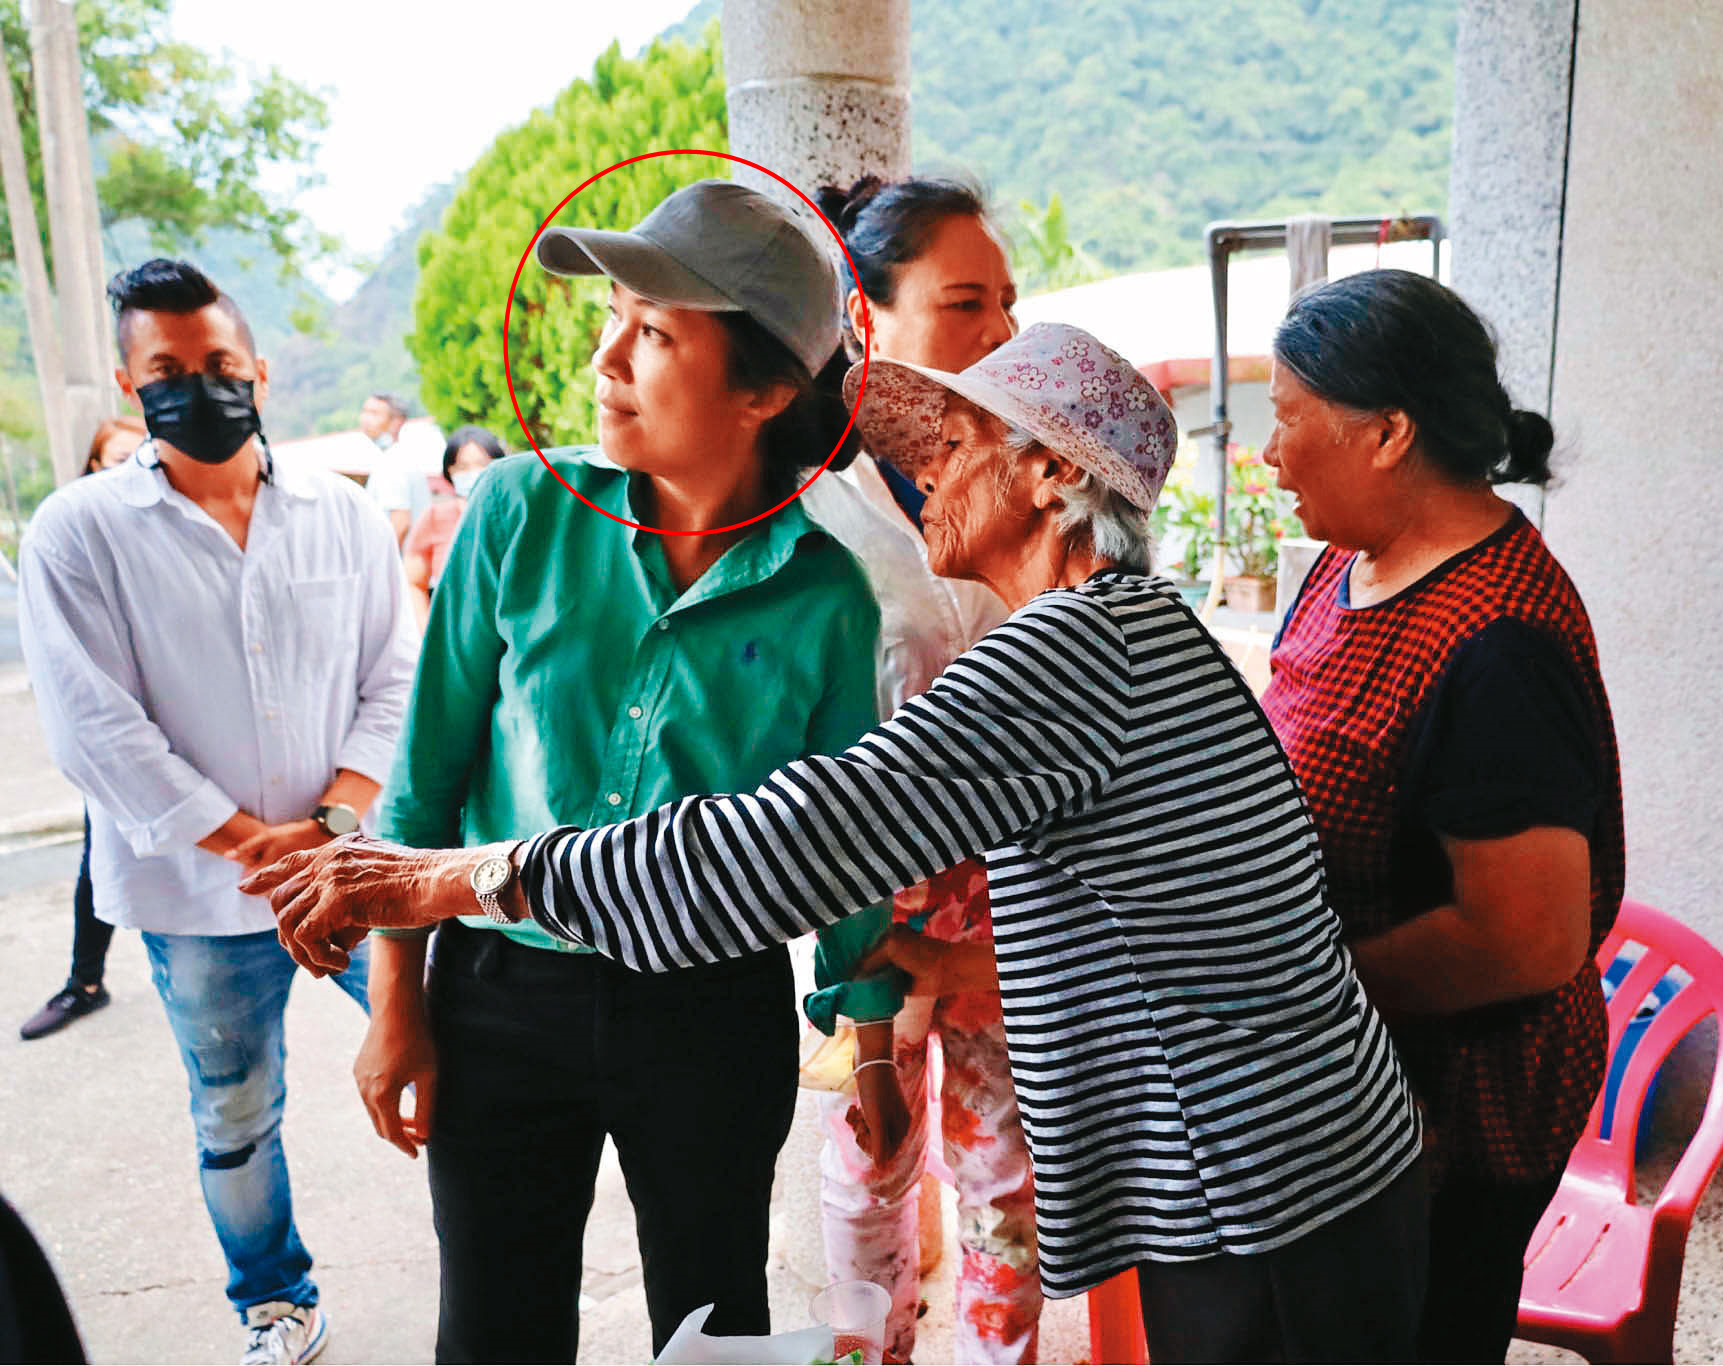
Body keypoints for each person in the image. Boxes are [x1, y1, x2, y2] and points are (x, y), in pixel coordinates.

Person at [249, 321, 1435, 1366]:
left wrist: (464, 874)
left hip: (1263, 1189)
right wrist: (917, 981)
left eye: (957, 444)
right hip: (1294, 1164)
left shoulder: (1070, 654)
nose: (924, 478)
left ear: (1044, 475)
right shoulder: (1129, 633)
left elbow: (775, 849)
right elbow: (1148, 924)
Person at [345, 179, 894, 1364]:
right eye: (611, 318)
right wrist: (398, 1005)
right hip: (497, 994)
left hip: (710, 1006)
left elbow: (846, 853)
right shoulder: (514, 515)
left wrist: (875, 1043)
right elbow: (424, 780)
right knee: (494, 1330)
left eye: (652, 331)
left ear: (762, 392)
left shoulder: (828, 602)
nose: (604, 357)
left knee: (710, 1326)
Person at [16, 258, 417, 1365]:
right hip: (200, 900)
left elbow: (397, 673)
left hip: (355, 871)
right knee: (234, 1116)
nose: (199, 387)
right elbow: (93, 724)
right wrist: (251, 843)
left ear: (262, 371)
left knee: (452, 1057)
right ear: (128, 384)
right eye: (169, 372)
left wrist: (332, 821)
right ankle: (275, 1299)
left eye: (220, 365)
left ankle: (486, 1256)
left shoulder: (340, 519)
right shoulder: (78, 533)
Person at [1256, 269, 1624, 1364]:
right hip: (1353, 1077)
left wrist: (1300, 992)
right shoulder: (1343, 565)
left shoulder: (1495, 641)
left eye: (1284, 420)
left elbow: (1523, 936)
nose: (1267, 454)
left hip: (1455, 1114)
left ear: (1385, 433)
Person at [798, 173, 1038, 1364]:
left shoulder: (1027, 472)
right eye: (963, 301)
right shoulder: (804, 506)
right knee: (869, 1162)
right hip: (859, 905)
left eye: (1006, 301)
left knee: (1006, 1171)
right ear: (865, 315)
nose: (998, 332)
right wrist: (869, 976)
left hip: (1012, 896)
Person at [19, 418, 148, 1042]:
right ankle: (85, 980)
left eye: (140, 458)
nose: (129, 471)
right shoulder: (69, 540)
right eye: (114, 460)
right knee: (103, 852)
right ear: (91, 467)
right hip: (124, 745)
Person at [400, 425, 504, 626]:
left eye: (482, 464)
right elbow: (413, 582)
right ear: (449, 471)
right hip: (454, 633)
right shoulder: (435, 517)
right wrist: (426, 631)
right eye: (462, 467)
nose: (474, 473)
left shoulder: (516, 513)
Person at [359, 392, 427, 543]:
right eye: (364, 411)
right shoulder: (398, 457)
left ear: (397, 422)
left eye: (374, 413)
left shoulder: (394, 462)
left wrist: (381, 564)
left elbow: (400, 524)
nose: (365, 419)